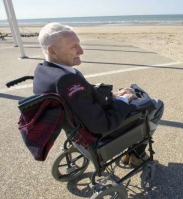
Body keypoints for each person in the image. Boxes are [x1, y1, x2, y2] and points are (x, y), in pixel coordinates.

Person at [33, 22, 164, 167]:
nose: (81, 51)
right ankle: (136, 155)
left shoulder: (43, 71)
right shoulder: (67, 80)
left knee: (130, 93)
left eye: (79, 44)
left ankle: (134, 151)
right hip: (101, 136)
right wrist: (123, 100)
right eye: (73, 47)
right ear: (52, 51)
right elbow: (101, 125)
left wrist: (114, 95)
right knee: (156, 105)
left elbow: (82, 97)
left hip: (78, 130)